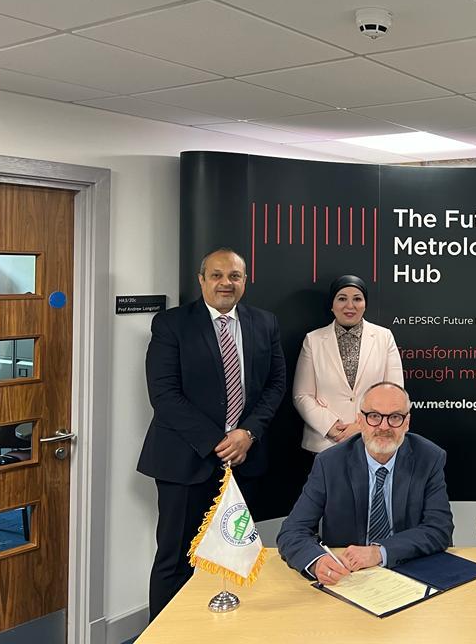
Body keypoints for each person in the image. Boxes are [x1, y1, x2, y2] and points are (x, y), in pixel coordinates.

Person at [138, 248, 286, 620]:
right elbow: (164, 394)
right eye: (217, 275)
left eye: (234, 276)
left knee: (236, 556)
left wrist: (247, 433)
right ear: (201, 280)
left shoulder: (264, 322)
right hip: (185, 462)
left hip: (245, 462)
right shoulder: (171, 324)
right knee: (175, 558)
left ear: (244, 281)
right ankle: (166, 636)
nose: (225, 283)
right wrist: (219, 442)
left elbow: (275, 385)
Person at [277, 382, 453, 584]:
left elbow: (439, 528)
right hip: (347, 576)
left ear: (407, 422)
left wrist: (380, 552)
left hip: (410, 571)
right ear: (360, 421)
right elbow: (292, 531)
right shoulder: (329, 463)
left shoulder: (429, 458)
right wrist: (317, 562)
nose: (384, 427)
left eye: (395, 417)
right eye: (374, 416)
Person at [292, 274, 403, 452]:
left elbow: (394, 393)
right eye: (342, 299)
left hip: (373, 440)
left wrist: (361, 426)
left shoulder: (384, 337)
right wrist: (331, 427)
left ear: (365, 304)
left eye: (357, 299)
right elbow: (302, 395)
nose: (350, 306)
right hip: (325, 444)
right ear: (332, 304)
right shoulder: (313, 340)